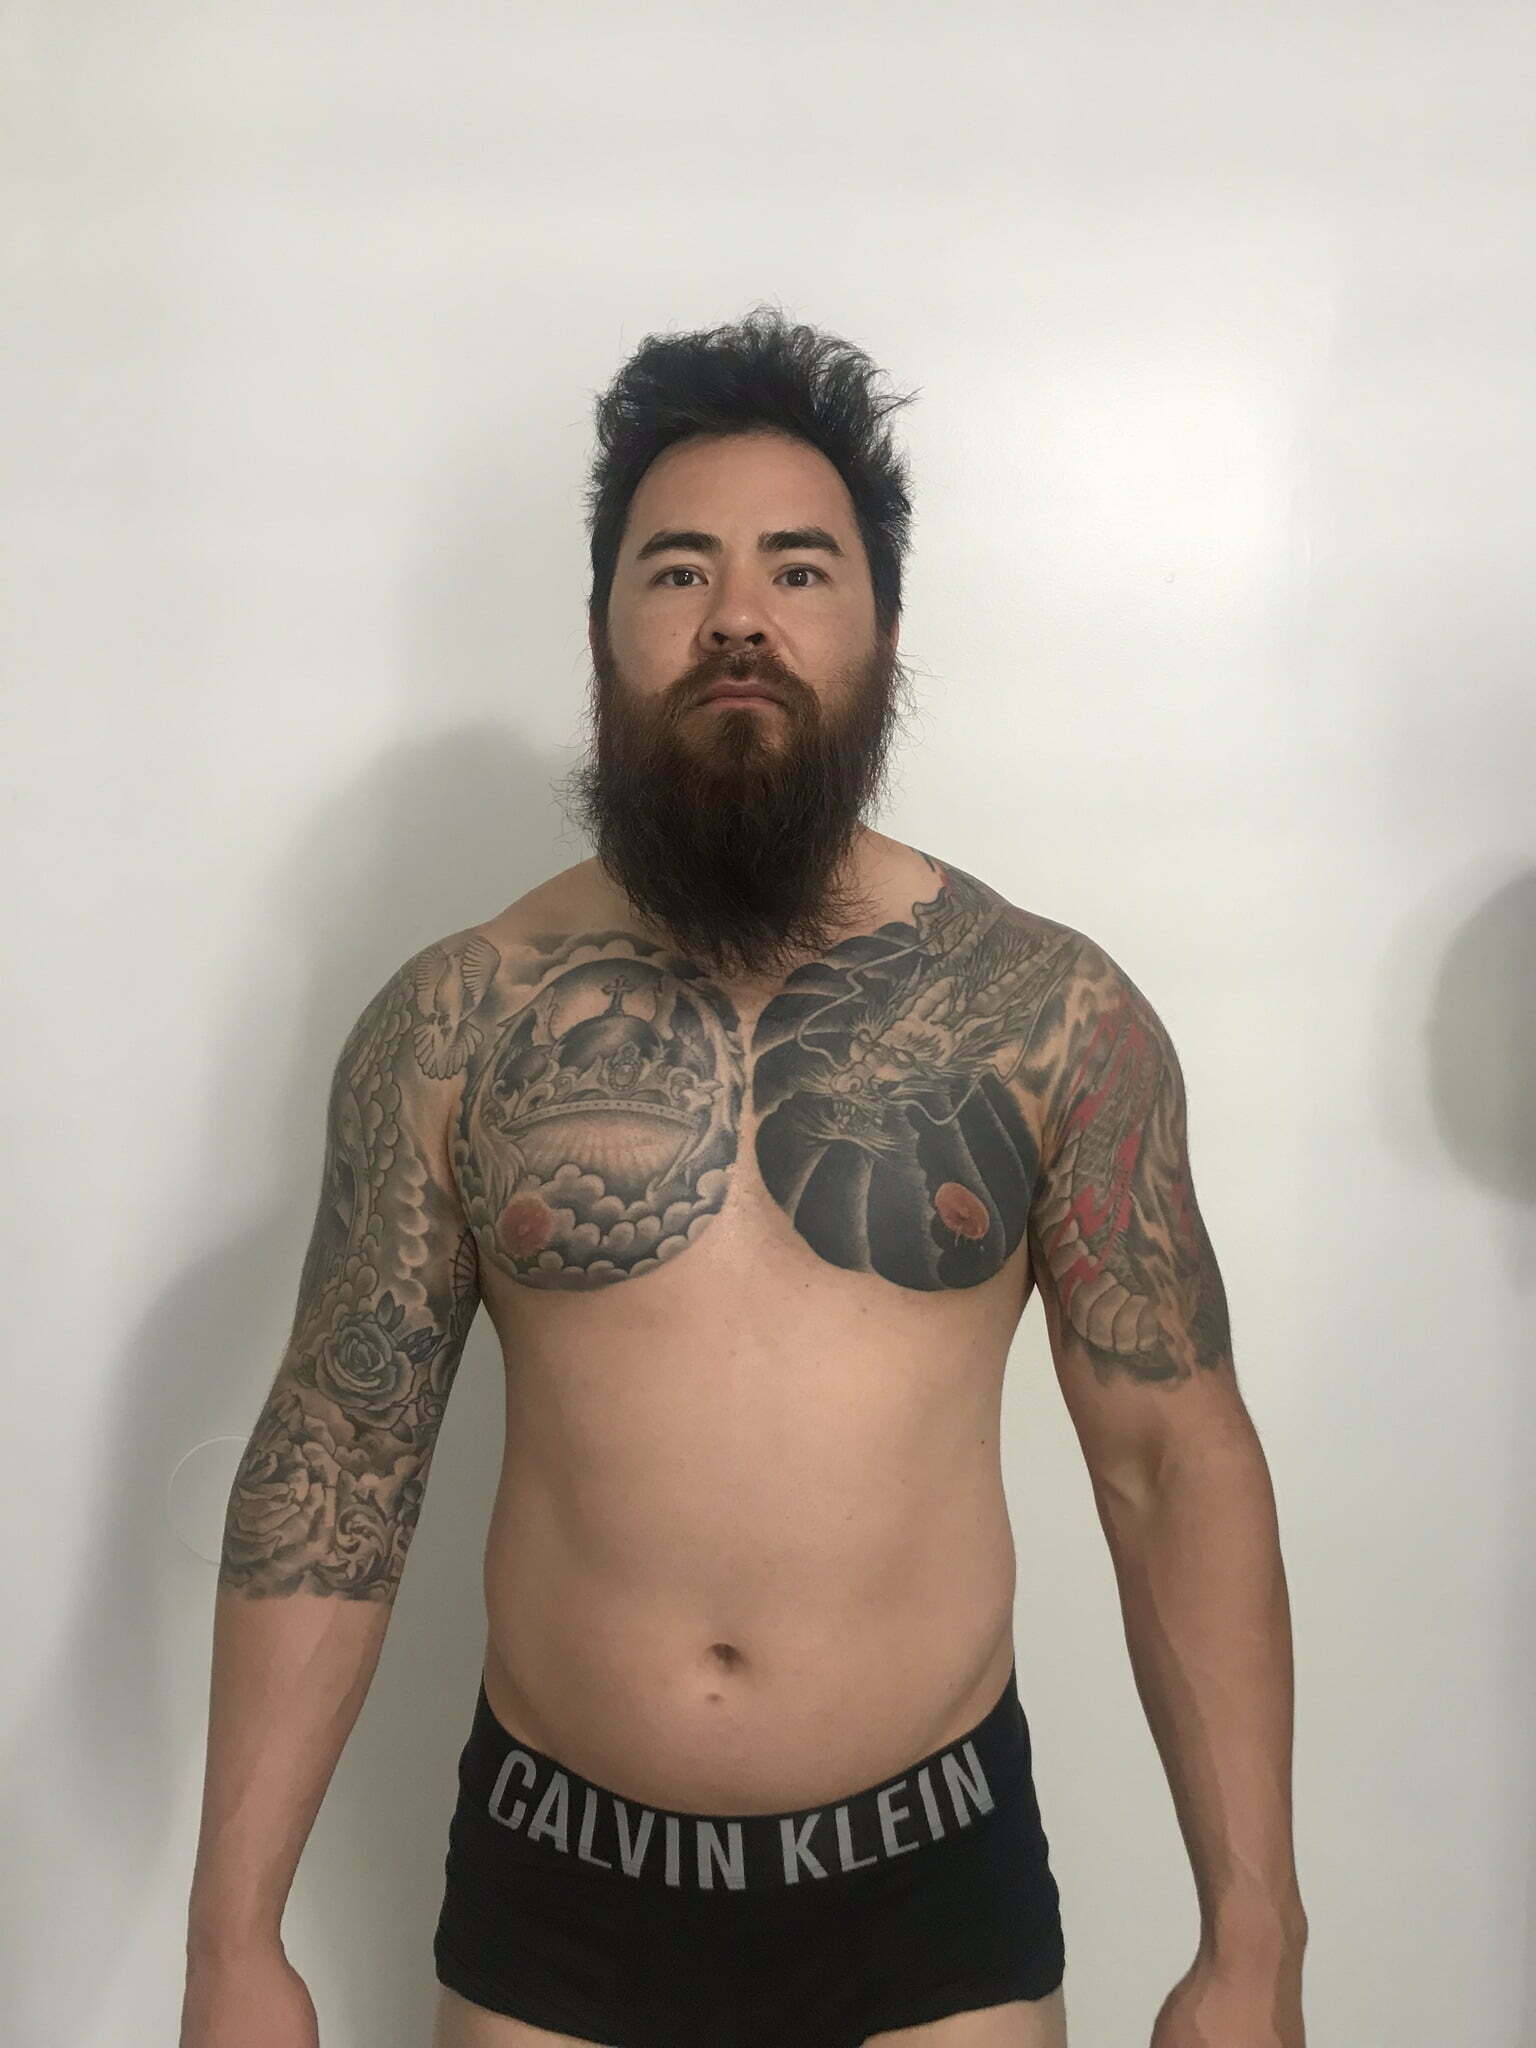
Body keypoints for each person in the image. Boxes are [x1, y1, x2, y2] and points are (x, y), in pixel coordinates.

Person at [181, 306, 1308, 2048]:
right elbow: (340, 1457)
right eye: (677, 570)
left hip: (931, 1896)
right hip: (558, 1894)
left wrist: (1256, 1940)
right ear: (602, 633)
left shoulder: (1049, 1017)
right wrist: (231, 1942)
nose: (736, 618)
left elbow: (1173, 1462)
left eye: (798, 568)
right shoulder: (455, 1024)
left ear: (883, 633)